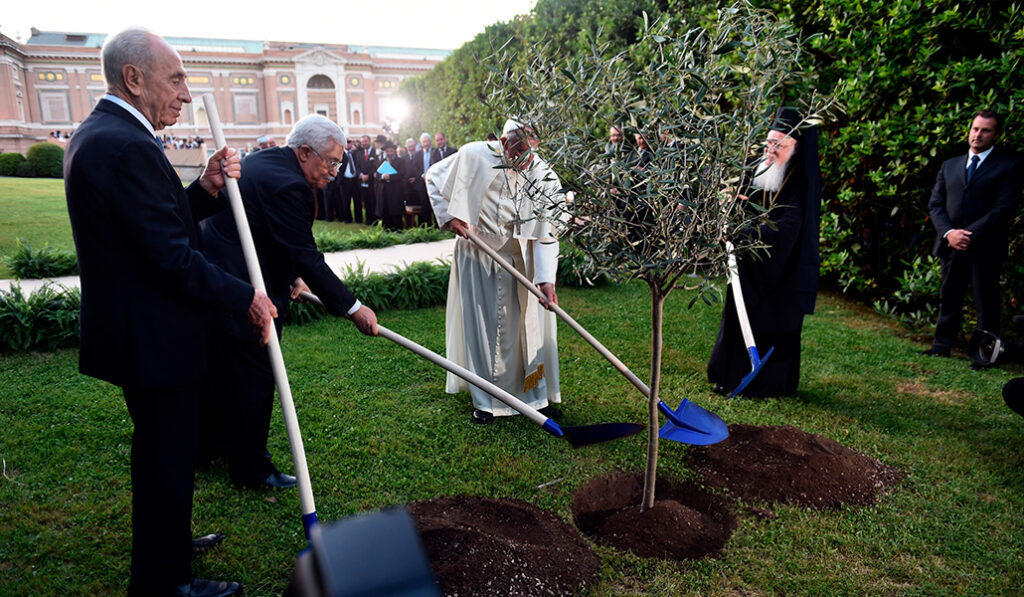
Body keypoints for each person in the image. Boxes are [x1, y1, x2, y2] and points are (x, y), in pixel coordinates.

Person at [64, 27, 277, 597]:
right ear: (134, 78)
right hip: (152, 334)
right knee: (165, 455)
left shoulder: (108, 134)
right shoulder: (125, 144)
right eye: (176, 78)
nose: (186, 93)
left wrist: (204, 187)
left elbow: (152, 226)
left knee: (169, 451)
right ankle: (163, 581)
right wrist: (246, 297)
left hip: (143, 330)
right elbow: (170, 256)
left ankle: (170, 543)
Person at [199, 115, 379, 489]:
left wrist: (292, 275)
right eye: (330, 162)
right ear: (305, 152)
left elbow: (271, 230)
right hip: (241, 284)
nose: (335, 172)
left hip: (221, 276)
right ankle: (251, 469)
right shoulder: (290, 184)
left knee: (224, 373)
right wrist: (353, 308)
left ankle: (211, 447)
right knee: (256, 375)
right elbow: (306, 255)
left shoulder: (266, 160)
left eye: (339, 163)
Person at [426, 120, 565, 424]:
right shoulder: (473, 154)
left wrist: (546, 279)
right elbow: (433, 176)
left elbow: (548, 231)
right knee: (484, 332)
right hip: (479, 257)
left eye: (531, 152)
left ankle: (536, 398)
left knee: (530, 332)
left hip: (523, 261)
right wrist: (449, 216)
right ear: (503, 142)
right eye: (519, 151)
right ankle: (486, 402)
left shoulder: (542, 174)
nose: (526, 160)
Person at [707, 107, 822, 397]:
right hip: (751, 265)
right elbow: (742, 202)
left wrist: (745, 234)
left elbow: (789, 227)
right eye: (769, 142)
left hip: (783, 270)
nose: (770, 150)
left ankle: (769, 384)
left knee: (773, 325)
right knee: (739, 318)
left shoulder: (800, 181)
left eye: (779, 145)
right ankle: (730, 375)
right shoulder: (759, 168)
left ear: (795, 147)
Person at [920, 110, 1022, 368]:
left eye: (985, 130)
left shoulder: (1009, 166)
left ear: (996, 135)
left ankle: (984, 356)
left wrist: (968, 234)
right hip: (951, 245)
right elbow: (935, 205)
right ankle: (941, 346)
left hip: (985, 247)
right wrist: (949, 233)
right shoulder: (950, 165)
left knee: (986, 303)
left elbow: (1003, 208)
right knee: (949, 297)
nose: (978, 135)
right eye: (975, 129)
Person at [373, 141, 408, 231]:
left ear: (394, 151)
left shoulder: (401, 161)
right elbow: (376, 174)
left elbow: (402, 174)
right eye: (387, 151)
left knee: (396, 214)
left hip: (396, 192)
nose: (389, 153)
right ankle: (387, 231)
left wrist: (390, 177)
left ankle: (398, 231)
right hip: (384, 192)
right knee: (385, 213)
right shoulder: (381, 161)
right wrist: (382, 176)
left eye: (391, 151)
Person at [354, 134, 379, 224]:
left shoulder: (376, 152)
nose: (364, 143)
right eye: (362, 142)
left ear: (370, 141)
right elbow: (357, 166)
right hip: (362, 182)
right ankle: (368, 219)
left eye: (365, 141)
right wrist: (361, 175)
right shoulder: (359, 153)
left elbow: (376, 167)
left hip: (373, 181)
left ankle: (375, 220)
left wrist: (369, 175)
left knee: (374, 200)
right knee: (366, 201)